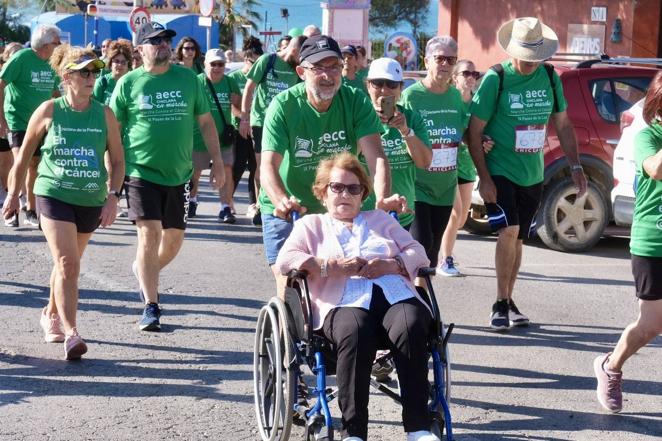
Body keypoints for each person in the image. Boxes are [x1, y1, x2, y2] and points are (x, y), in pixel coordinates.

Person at [276, 153, 439, 441]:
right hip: (342, 302)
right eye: (337, 187)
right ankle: (353, 433)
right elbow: (286, 259)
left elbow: (418, 252)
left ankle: (418, 428)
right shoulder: (310, 225)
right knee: (355, 329)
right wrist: (329, 266)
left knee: (412, 322)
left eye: (354, 188)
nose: (345, 194)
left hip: (393, 292)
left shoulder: (379, 220)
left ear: (363, 194)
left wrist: (392, 264)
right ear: (322, 192)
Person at [2, 45, 124, 360]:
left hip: (91, 198)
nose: (91, 77)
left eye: (94, 71)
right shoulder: (49, 110)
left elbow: (118, 161)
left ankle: (50, 312)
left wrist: (113, 196)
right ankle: (72, 333)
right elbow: (24, 157)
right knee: (69, 263)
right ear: (67, 76)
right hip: (53, 193)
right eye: (84, 71)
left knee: (66, 264)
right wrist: (14, 196)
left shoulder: (104, 114)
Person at [468, 17, 587, 330]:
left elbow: (562, 124)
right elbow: (474, 130)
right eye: (528, 57)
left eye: (538, 57)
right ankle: (498, 301)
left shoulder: (549, 76)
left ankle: (508, 299)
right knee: (509, 230)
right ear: (514, 52)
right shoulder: (496, 78)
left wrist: (575, 165)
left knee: (519, 237)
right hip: (501, 168)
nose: (533, 63)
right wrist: (486, 178)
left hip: (532, 172)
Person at [259, 35, 398, 295]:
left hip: (338, 204)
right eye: (318, 68)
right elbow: (268, 165)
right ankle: (293, 329)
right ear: (301, 72)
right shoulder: (283, 106)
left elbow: (376, 156)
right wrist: (281, 200)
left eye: (334, 66)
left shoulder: (356, 101)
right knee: (290, 277)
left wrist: (382, 198)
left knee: (348, 274)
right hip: (290, 205)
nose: (327, 75)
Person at [109, 22, 224, 331]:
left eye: (166, 40)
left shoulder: (188, 79)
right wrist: (111, 175)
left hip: (179, 174)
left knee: (173, 241)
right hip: (140, 172)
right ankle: (151, 305)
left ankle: (144, 270)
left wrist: (218, 162)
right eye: (155, 41)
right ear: (140, 49)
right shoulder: (129, 83)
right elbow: (112, 131)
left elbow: (206, 123)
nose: (163, 45)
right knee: (150, 233)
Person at [593, 71, 662, 413]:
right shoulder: (647, 135)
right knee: (651, 324)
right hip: (653, 240)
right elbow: (655, 168)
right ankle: (611, 366)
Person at [400, 36, 465, 278]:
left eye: (451, 59)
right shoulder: (412, 96)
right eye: (440, 59)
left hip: (446, 188)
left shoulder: (456, 97)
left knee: (432, 256)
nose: (445, 64)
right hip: (417, 187)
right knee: (420, 247)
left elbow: (463, 131)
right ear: (427, 61)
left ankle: (424, 306)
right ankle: (412, 306)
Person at [239, 35, 305, 226]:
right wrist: (245, 118)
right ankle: (262, 206)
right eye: (300, 55)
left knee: (283, 166)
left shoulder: (297, 69)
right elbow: (249, 88)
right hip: (261, 123)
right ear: (293, 49)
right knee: (262, 167)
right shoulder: (267, 60)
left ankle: (280, 201)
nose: (301, 61)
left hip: (285, 124)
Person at [0, 24, 62, 228]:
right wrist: (1, 118)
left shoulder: (51, 63)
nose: (59, 46)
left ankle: (31, 209)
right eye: (56, 43)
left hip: (41, 124)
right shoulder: (22, 58)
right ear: (45, 45)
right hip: (17, 120)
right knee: (20, 162)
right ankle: (11, 208)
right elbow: (1, 84)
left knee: (34, 166)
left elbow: (54, 93)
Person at [361, 57, 431, 229]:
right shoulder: (359, 116)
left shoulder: (412, 118)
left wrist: (406, 131)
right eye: (378, 83)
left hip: (400, 214)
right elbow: (344, 158)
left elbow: (425, 163)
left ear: (401, 88)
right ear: (368, 86)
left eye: (391, 84)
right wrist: (369, 125)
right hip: (361, 214)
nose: (384, 90)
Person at [438, 59, 481, 276]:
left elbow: (481, 133)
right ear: (455, 77)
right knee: (454, 215)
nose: (471, 77)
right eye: (466, 73)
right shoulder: (450, 100)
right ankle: (445, 260)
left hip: (467, 165)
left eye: (475, 73)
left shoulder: (477, 104)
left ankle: (442, 249)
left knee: (463, 218)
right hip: (448, 163)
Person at [190, 49, 240, 222]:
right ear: (205, 65)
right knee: (194, 172)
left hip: (222, 138)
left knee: (225, 170)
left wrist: (237, 103)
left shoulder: (230, 82)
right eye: (213, 64)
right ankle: (192, 200)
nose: (217, 68)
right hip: (198, 138)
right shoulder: (196, 82)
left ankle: (225, 207)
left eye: (221, 64)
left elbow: (239, 107)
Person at [229, 38, 263, 220]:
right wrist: (244, 119)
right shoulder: (235, 77)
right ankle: (227, 201)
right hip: (240, 130)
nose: (256, 66)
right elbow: (233, 105)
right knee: (237, 167)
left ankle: (254, 204)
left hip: (257, 130)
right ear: (245, 59)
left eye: (259, 62)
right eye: (253, 62)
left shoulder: (263, 78)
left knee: (256, 168)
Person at [0, 42, 23, 207]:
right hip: (4, 119)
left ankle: (14, 192)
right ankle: (6, 190)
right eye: (13, 54)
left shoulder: (23, 73)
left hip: (15, 121)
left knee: (12, 160)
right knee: (5, 160)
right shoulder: (4, 75)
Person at [93, 40, 132, 105]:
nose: (120, 65)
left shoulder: (132, 83)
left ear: (128, 65)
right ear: (110, 64)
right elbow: (94, 108)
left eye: (123, 62)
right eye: (116, 61)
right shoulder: (102, 83)